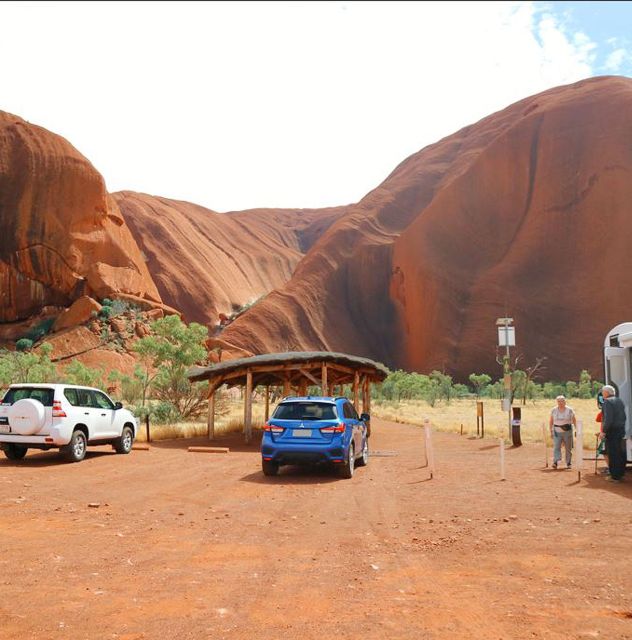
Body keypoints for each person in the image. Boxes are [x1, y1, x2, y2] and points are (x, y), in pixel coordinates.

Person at [600, 385, 627, 482]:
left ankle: (615, 476)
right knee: (620, 452)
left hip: (612, 431)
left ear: (606, 392)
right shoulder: (619, 400)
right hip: (620, 430)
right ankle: (620, 474)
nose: (602, 394)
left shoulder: (607, 402)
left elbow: (608, 419)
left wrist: (603, 431)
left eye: (603, 392)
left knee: (613, 453)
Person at [549, 395, 576, 469]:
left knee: (568, 448)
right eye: (558, 401)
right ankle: (555, 462)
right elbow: (551, 421)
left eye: (562, 401)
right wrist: (551, 430)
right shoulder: (553, 410)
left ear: (565, 402)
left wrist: (577, 429)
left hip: (567, 431)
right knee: (556, 446)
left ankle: (568, 463)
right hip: (557, 431)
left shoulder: (569, 410)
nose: (560, 403)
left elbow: (574, 420)